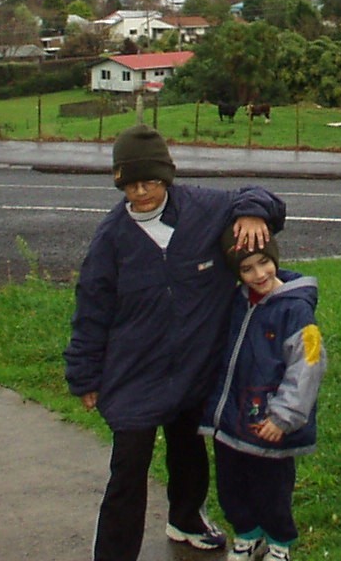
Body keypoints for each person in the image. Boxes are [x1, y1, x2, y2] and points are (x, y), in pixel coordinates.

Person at [64, 124, 286, 561]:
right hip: (135, 371)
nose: (141, 192)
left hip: (194, 365)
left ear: (167, 176)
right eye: (131, 184)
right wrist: (84, 374)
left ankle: (186, 519)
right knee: (128, 468)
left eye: (151, 181)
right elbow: (91, 310)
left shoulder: (204, 209)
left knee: (188, 448)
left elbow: (263, 199)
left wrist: (253, 213)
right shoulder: (111, 239)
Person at [201, 236, 325, 561]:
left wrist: (284, 416)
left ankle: (279, 543)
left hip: (268, 421)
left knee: (271, 489)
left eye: (264, 263)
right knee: (231, 485)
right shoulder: (236, 301)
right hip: (231, 417)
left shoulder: (295, 310)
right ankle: (248, 534)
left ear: (275, 260)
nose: (259, 274)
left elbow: (307, 365)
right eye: (247, 269)